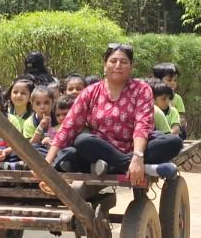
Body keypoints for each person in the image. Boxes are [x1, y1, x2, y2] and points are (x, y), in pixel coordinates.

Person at [45, 44, 182, 187]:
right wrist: (47, 162)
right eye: (113, 61)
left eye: (124, 62)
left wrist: (138, 156)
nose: (118, 65)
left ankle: (113, 166)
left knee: (174, 142)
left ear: (131, 66)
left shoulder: (141, 89)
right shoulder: (90, 92)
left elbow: (143, 124)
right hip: (102, 148)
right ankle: (137, 167)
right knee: (82, 141)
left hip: (136, 147)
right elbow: (68, 126)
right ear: (105, 64)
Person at [151, 62, 189, 136]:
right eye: (169, 80)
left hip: (173, 128)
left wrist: (176, 125)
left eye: (175, 80)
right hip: (157, 130)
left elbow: (181, 118)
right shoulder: (150, 96)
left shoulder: (177, 98)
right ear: (158, 80)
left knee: (182, 131)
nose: (173, 83)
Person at [26, 86, 58, 153]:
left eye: (46, 102)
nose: (42, 107)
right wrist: (40, 127)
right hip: (38, 151)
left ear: (53, 104)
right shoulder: (29, 123)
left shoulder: (58, 118)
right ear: (33, 106)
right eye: (38, 103)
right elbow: (29, 145)